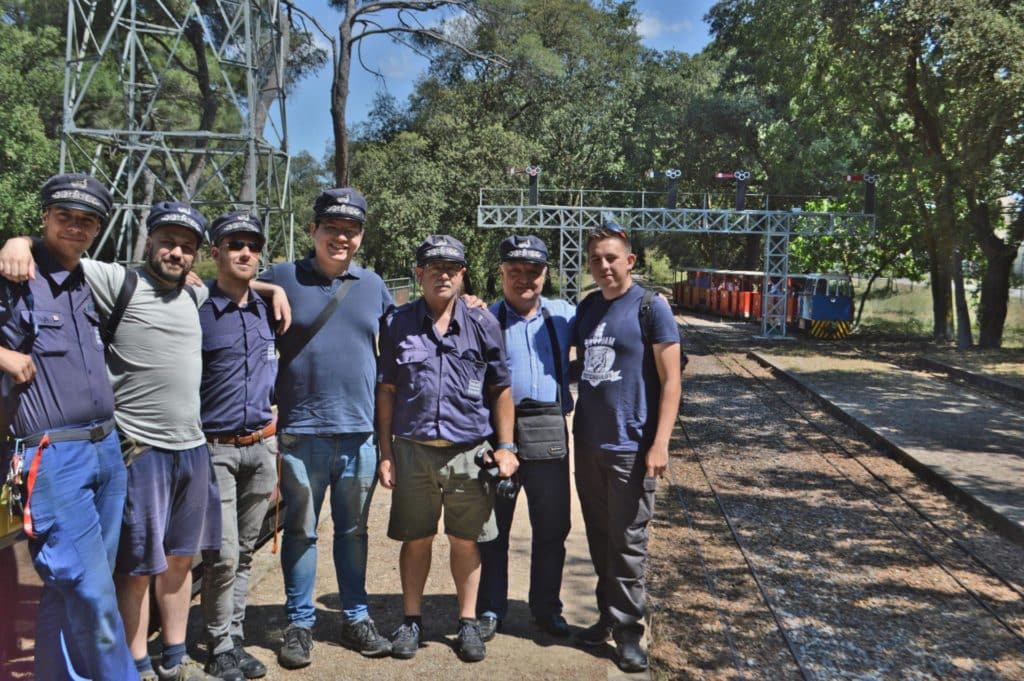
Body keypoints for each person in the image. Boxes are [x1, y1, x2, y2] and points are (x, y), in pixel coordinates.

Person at [0, 173, 136, 680]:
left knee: (66, 589)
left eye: (87, 221)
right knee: (94, 593)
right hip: (52, 459)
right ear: (44, 218)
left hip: (106, 451)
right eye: (64, 217)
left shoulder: (85, 281)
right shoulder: (15, 276)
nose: (75, 227)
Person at [253, 187, 394, 669]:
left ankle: (355, 617)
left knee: (353, 532)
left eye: (350, 230)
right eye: (331, 227)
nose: (341, 237)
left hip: (360, 434)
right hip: (301, 432)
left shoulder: (373, 285)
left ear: (359, 237)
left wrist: (470, 303)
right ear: (312, 230)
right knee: (300, 531)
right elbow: (220, 285)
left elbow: (409, 332)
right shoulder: (283, 276)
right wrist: (265, 288)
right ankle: (298, 623)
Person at [376, 234, 517, 663]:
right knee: (415, 539)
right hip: (414, 450)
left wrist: (506, 445)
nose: (443, 274)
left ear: (462, 274)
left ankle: (468, 622)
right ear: (418, 274)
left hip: (468, 453)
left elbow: (501, 388)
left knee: (465, 541)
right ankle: (412, 621)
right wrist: (385, 452)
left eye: (452, 267)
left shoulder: (482, 322)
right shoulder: (397, 322)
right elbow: (386, 390)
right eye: (433, 266)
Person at [571, 222, 681, 673]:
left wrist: (660, 443)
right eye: (596, 259)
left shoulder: (651, 308)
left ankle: (631, 632)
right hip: (589, 444)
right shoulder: (588, 307)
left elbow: (672, 379)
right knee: (599, 538)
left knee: (628, 543)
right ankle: (606, 617)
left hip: (632, 449)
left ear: (630, 261)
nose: (603, 266)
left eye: (611, 258)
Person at [476, 235, 573, 641]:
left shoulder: (566, 315)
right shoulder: (483, 318)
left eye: (532, 272)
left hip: (549, 427)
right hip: (499, 434)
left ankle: (546, 609)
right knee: (492, 528)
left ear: (545, 274)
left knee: (552, 528)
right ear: (501, 272)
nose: (523, 280)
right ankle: (490, 609)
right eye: (514, 271)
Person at [198, 212, 277, 681]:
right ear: (216, 253)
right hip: (215, 449)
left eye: (251, 246)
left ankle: (234, 636)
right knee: (223, 553)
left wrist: (272, 290)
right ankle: (219, 642)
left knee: (245, 549)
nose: (245, 253)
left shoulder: (268, 309)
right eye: (234, 245)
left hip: (261, 447)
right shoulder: (196, 308)